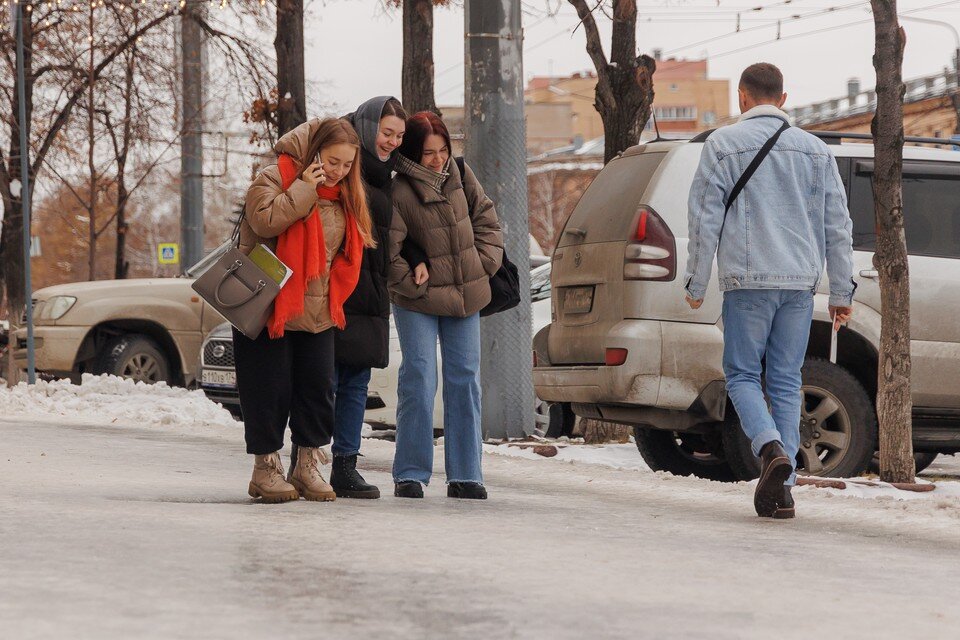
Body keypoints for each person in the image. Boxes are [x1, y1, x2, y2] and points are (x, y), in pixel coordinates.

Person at [683, 63, 856, 519]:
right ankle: (785, 490)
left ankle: (769, 448)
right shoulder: (816, 151)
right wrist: (841, 293)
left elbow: (704, 219)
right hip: (799, 285)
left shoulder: (722, 144)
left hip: (747, 281)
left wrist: (696, 282)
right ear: (783, 98)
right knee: (785, 378)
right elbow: (837, 226)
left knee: (741, 374)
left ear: (742, 97)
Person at [237, 117, 376, 503]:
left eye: (348, 165)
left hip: (317, 309)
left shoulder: (346, 195)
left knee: (317, 389)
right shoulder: (274, 176)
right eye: (333, 161)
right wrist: (304, 188)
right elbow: (263, 221)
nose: (339, 171)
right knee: (269, 388)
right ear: (314, 152)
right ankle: (265, 468)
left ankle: (306, 464)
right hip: (269, 305)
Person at [387, 111, 503, 500]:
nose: (438, 160)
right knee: (419, 376)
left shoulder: (462, 175)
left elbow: (488, 220)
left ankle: (467, 474)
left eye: (443, 151)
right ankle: (410, 472)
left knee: (465, 378)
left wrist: (483, 264)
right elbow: (390, 250)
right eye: (428, 153)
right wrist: (410, 284)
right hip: (417, 298)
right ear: (411, 153)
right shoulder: (399, 190)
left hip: (466, 293)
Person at [329, 96, 428, 499]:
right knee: (323, 380)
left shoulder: (389, 175)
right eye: (386, 132)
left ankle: (344, 466)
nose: (391, 141)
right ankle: (307, 460)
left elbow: (393, 230)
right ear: (368, 126)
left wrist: (414, 255)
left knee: (355, 380)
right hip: (334, 284)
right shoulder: (341, 163)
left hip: (369, 291)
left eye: (398, 136)